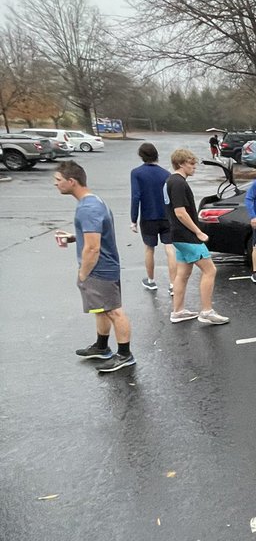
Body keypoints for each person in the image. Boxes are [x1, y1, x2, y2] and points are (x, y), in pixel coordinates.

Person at [54, 160, 135, 374]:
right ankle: (101, 346)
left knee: (113, 311)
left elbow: (92, 248)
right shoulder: (92, 201)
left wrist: (83, 274)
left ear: (72, 181)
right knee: (100, 309)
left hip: (100, 269)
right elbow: (94, 235)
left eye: (58, 180)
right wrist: (74, 237)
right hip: (104, 266)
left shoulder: (88, 208)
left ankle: (125, 355)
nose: (56, 184)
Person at [165, 149, 230, 326]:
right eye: (191, 164)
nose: (194, 167)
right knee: (210, 270)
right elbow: (180, 212)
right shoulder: (178, 183)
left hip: (177, 235)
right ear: (180, 164)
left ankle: (178, 311)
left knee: (183, 274)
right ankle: (207, 311)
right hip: (187, 236)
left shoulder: (170, 181)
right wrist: (198, 232)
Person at [129, 142, 177, 294]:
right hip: (165, 216)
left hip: (148, 216)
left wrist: (133, 219)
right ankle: (173, 284)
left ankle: (151, 280)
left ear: (141, 156)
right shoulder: (166, 174)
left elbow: (136, 196)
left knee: (149, 248)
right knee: (169, 248)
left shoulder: (136, 173)